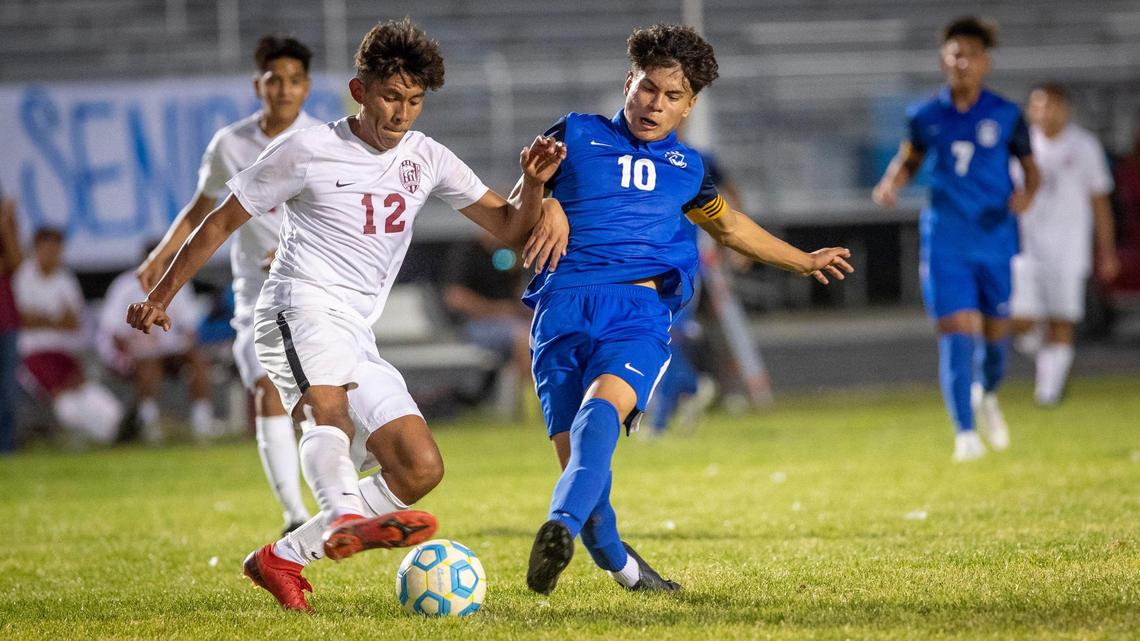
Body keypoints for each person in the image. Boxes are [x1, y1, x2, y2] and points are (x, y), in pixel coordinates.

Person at [127, 19, 566, 612]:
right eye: (391, 96)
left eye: (414, 100)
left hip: (356, 328)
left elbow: (510, 226)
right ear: (360, 91)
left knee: (419, 467)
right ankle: (341, 516)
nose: (401, 113)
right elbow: (221, 220)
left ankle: (282, 557)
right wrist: (162, 296)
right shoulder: (307, 150)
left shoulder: (427, 157)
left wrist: (534, 186)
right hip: (295, 304)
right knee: (326, 406)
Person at [522, 23, 852, 596]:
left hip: (637, 312)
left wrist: (802, 260)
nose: (656, 104)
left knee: (600, 415)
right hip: (561, 306)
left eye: (672, 95)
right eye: (648, 88)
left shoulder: (688, 168)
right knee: (585, 476)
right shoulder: (574, 133)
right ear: (629, 82)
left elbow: (730, 226)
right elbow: (514, 216)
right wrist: (541, 196)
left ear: (690, 105)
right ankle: (629, 572)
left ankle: (558, 525)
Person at [137, 35, 322, 533]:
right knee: (266, 389)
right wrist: (160, 255)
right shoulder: (231, 144)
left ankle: (348, 502)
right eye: (275, 80)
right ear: (258, 85)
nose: (284, 90)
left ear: (307, 87)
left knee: (323, 402)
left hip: (314, 290)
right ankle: (294, 515)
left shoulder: (323, 142)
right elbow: (203, 209)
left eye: (295, 80)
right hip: (256, 294)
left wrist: (299, 251)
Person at [873, 16, 1039, 462]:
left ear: (986, 62)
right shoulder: (925, 115)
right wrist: (892, 182)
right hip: (945, 238)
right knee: (955, 332)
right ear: (943, 60)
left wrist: (1026, 195)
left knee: (996, 336)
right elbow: (911, 158)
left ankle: (988, 393)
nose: (963, 62)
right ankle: (964, 434)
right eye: (955, 54)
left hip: (994, 237)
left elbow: (1031, 168)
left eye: (971, 54)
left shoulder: (1006, 114)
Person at [1009, 82, 1118, 405]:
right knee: (1020, 318)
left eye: (1052, 105)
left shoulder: (1084, 146)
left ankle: (1049, 393)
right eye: (1039, 106)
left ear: (1065, 109)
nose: (1045, 112)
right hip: (1025, 247)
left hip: (1069, 247)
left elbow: (1099, 201)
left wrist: (1107, 251)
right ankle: (1048, 360)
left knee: (1061, 318)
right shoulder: (1019, 145)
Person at [14, 228, 123, 445]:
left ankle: (114, 430)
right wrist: (56, 319)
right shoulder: (23, 277)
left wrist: (41, 317)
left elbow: (73, 322)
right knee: (62, 396)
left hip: (64, 351)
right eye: (47, 250)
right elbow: (23, 319)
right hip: (33, 353)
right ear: (36, 250)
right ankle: (83, 435)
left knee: (86, 389)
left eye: (56, 250)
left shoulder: (65, 278)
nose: (52, 255)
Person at [99, 256, 214, 443]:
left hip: (169, 352)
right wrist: (141, 346)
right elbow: (115, 334)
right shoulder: (125, 286)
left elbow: (190, 330)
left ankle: (202, 424)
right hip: (133, 354)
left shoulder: (178, 282)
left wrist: (180, 344)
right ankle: (150, 426)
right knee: (149, 364)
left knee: (196, 360)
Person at [441, 231, 531, 417]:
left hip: (511, 323)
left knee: (541, 332)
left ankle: (550, 398)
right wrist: (495, 310)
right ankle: (532, 405)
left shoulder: (509, 252)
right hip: (473, 326)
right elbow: (455, 298)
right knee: (523, 337)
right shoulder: (467, 252)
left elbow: (517, 295)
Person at [0, 187, 20, 453]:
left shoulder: (6, 223)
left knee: (7, 389)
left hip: (6, 318)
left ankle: (5, 448)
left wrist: (6, 226)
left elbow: (16, 264)